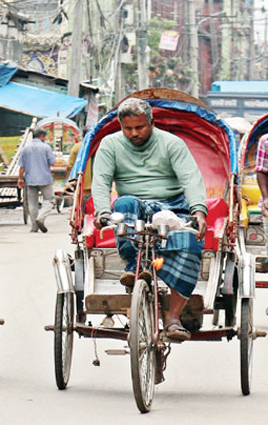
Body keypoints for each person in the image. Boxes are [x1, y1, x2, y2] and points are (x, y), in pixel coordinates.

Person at [92, 98, 207, 341]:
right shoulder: (110, 144)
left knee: (190, 243)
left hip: (173, 207)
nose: (134, 133)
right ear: (121, 126)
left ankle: (173, 319)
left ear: (151, 123)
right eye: (128, 129)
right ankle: (135, 269)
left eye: (140, 127)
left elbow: (191, 178)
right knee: (123, 207)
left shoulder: (171, 143)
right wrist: (102, 211)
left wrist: (198, 210)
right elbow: (101, 181)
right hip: (134, 205)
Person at [18, 127, 55, 233]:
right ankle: (41, 217)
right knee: (50, 200)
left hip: (30, 180)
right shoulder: (46, 147)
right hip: (45, 179)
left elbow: (22, 166)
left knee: (32, 204)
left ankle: (34, 227)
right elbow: (52, 162)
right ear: (42, 136)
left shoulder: (26, 148)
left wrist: (20, 179)